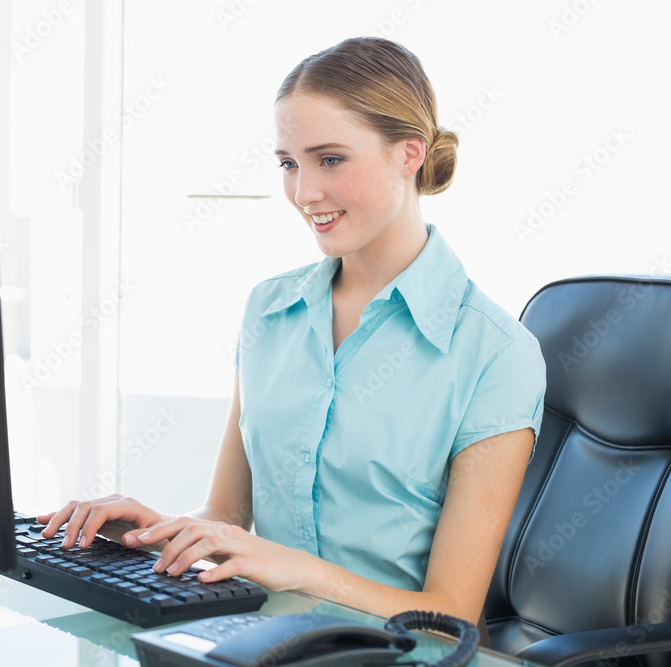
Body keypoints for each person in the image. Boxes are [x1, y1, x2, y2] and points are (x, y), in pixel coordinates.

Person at [38, 36, 546, 629]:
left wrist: (296, 569)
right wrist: (154, 531)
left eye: (330, 160)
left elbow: (451, 613)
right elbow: (228, 515)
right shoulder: (269, 309)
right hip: (259, 637)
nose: (304, 193)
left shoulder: (497, 354)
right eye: (288, 163)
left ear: (409, 154)